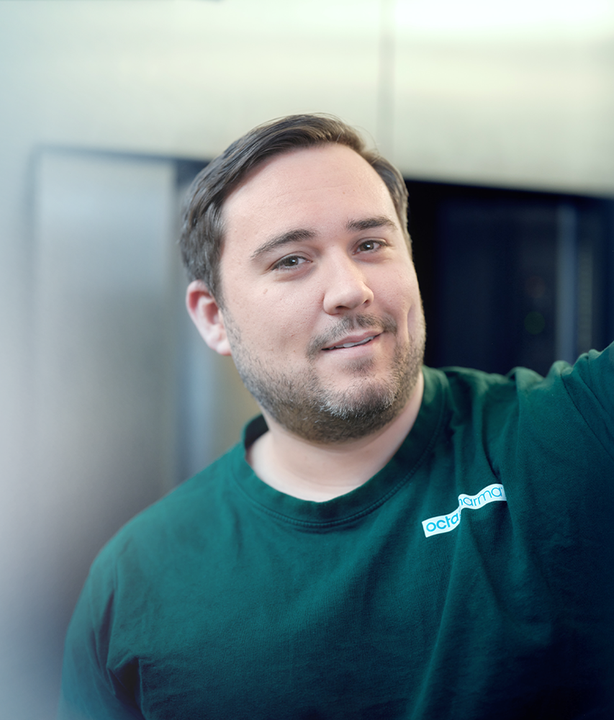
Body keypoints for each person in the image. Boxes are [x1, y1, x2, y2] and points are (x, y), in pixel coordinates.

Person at [58, 114, 614, 719]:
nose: (350, 289)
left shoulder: (577, 431)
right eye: (292, 260)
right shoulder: (134, 585)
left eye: (371, 245)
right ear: (213, 317)